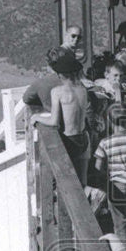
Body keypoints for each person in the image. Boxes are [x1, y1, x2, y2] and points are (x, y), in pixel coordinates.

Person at [31, 52, 91, 185]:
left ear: (60, 75)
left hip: (69, 141)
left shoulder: (57, 91)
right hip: (83, 139)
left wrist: (36, 117)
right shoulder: (83, 90)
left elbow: (54, 121)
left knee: (64, 182)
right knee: (82, 182)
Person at [94, 110, 126, 241]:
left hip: (116, 186)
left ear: (109, 122)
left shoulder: (105, 142)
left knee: (120, 224)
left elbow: (97, 167)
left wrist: (105, 181)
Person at [23, 46, 74, 112]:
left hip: (48, 117)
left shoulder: (40, 83)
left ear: (48, 63)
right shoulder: (74, 81)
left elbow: (26, 99)